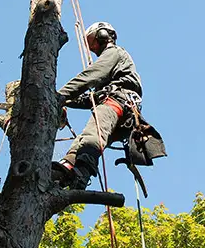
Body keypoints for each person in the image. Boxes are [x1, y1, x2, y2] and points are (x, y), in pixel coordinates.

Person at [52, 21, 143, 190]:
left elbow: (91, 75)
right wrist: (66, 102)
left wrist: (58, 97)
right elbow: (91, 99)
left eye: (93, 41)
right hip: (119, 109)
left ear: (103, 35)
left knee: (91, 136)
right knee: (83, 140)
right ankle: (66, 170)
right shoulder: (112, 76)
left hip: (118, 102)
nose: (92, 48)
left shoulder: (114, 52)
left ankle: (82, 173)